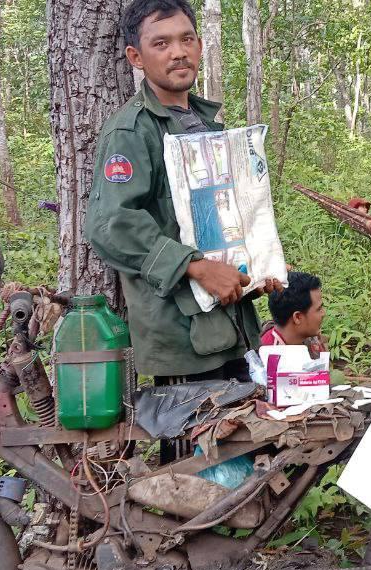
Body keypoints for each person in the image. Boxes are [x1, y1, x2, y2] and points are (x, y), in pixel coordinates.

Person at [84, 0, 278, 386]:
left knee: (244, 438)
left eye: (186, 39)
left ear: (200, 45)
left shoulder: (205, 124)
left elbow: (218, 216)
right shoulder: (132, 131)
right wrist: (197, 267)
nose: (178, 52)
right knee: (195, 444)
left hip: (231, 326)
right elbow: (111, 225)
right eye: (161, 44)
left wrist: (257, 271)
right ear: (136, 57)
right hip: (181, 337)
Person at [261, 271, 328, 355]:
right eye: (319, 309)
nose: (323, 313)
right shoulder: (271, 359)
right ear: (297, 317)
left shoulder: (310, 338)